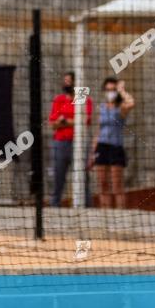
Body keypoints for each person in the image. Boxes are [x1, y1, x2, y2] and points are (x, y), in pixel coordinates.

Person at [48, 71, 93, 207]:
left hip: (78, 142)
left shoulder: (82, 97)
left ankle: (87, 207)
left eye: (69, 81)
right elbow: (52, 124)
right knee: (58, 176)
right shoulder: (59, 99)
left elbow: (84, 120)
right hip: (60, 142)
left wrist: (64, 121)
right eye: (65, 81)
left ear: (75, 82)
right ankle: (55, 206)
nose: (66, 83)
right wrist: (68, 121)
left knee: (82, 177)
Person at [88, 77, 134, 209]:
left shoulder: (121, 108)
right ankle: (105, 213)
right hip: (101, 147)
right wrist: (92, 153)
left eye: (113, 90)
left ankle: (120, 215)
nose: (110, 92)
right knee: (102, 184)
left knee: (117, 185)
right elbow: (98, 131)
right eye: (108, 90)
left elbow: (131, 102)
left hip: (116, 147)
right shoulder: (101, 108)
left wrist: (122, 91)